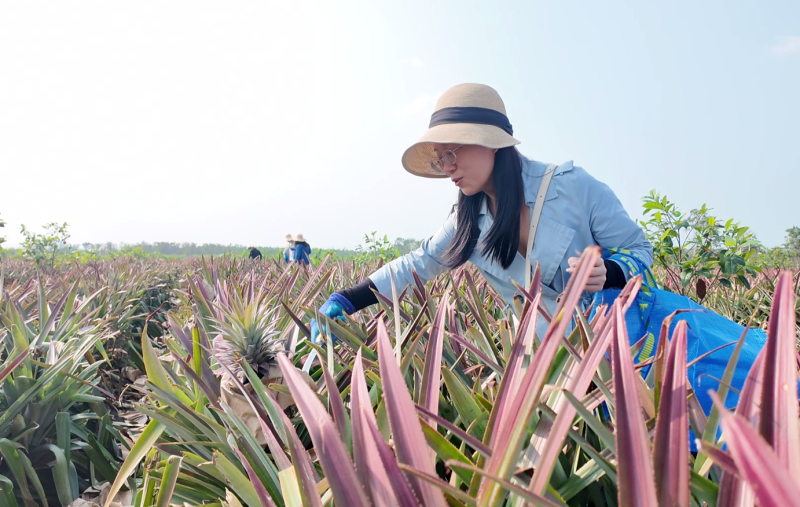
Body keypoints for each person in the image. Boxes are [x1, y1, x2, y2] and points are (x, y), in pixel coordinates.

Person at [311, 83, 652, 342]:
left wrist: (609, 270)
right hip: (538, 362)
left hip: (618, 344)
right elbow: (416, 264)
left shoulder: (573, 187)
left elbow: (640, 250)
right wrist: (346, 299)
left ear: (491, 141)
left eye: (453, 152)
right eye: (441, 157)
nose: (447, 167)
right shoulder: (466, 222)